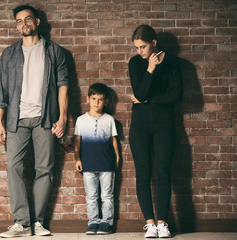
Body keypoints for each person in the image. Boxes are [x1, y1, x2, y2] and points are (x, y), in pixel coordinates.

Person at [0, 4, 68, 238]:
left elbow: (63, 85)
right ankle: (22, 223)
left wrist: (63, 117)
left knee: (44, 169)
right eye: (18, 21)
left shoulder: (55, 52)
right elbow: (1, 91)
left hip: (45, 119)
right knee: (13, 167)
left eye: (27, 19)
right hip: (16, 119)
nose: (23, 24)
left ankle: (38, 222)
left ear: (37, 22)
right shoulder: (9, 54)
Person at [128, 25, 183, 238]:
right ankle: (150, 224)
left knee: (162, 170)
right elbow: (139, 91)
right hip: (139, 124)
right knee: (143, 171)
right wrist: (150, 69)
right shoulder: (135, 63)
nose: (139, 51)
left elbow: (176, 95)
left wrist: (148, 99)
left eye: (143, 47)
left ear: (154, 43)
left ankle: (162, 223)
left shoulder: (172, 62)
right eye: (136, 47)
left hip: (164, 123)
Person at [74, 83, 120, 235]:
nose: (96, 102)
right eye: (94, 99)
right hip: (88, 163)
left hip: (107, 164)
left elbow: (114, 140)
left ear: (106, 101)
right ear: (88, 99)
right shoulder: (80, 120)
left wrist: (117, 157)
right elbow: (77, 142)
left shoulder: (109, 120)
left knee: (107, 196)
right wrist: (77, 159)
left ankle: (107, 222)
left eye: (100, 99)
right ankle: (93, 221)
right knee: (91, 196)